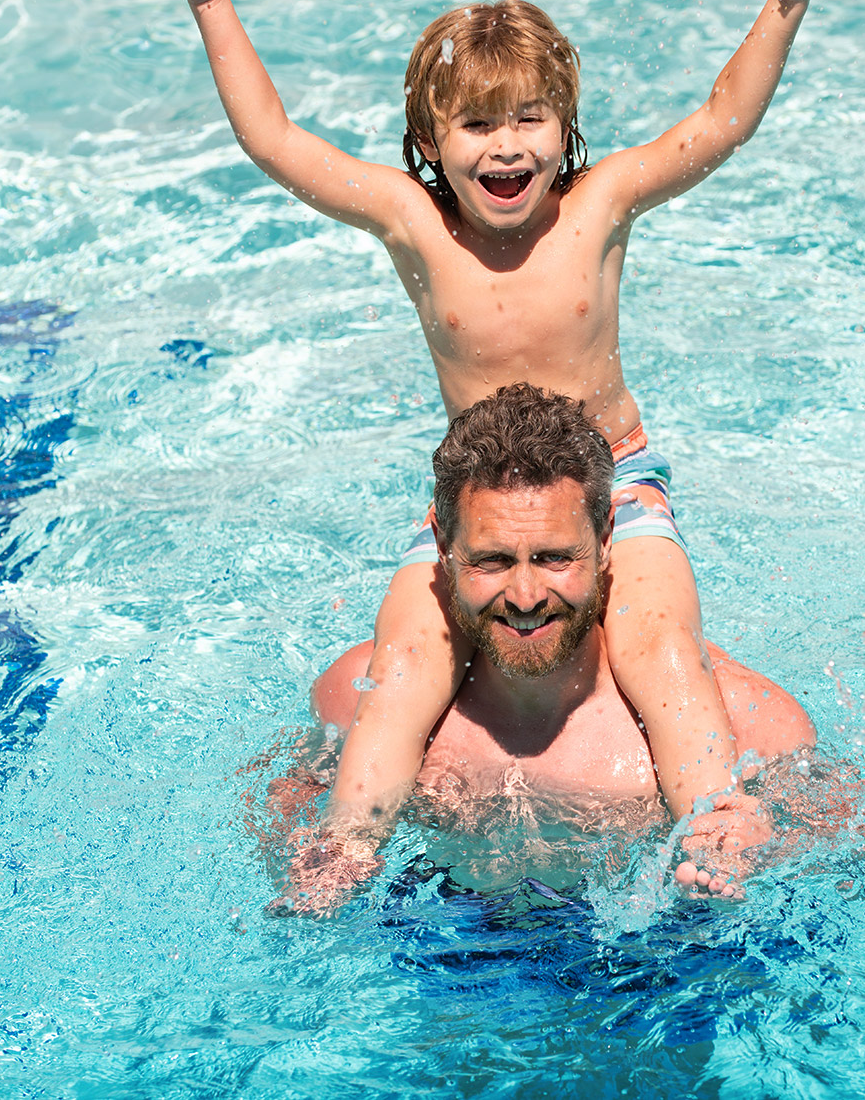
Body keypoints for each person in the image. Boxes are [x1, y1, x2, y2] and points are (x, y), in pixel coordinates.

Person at [166, 0, 820, 898]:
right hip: (479, 504)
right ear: (430, 143)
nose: (505, 145)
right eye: (474, 125)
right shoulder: (413, 223)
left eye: (529, 118)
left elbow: (721, 120)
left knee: (656, 643)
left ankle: (715, 822)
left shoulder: (598, 207)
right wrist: (211, 0)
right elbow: (276, 142)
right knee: (406, 661)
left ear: (566, 129)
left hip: (617, 485)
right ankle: (347, 843)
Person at [278, 384, 817, 912]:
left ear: (607, 540)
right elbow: (281, 795)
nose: (526, 597)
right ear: (442, 545)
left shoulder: (746, 724)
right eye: (491, 560)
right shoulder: (360, 698)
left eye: (556, 557)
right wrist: (300, 857)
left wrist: (765, 849)